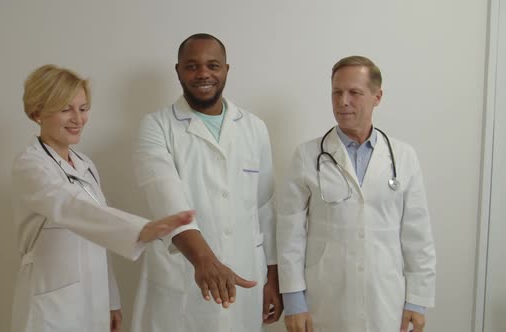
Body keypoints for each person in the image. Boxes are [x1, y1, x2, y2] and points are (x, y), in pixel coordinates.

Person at [10, 64, 194, 332]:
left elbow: (99, 234)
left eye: (83, 109)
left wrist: (112, 300)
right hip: (50, 306)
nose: (78, 118)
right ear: (37, 112)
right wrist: (140, 229)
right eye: (66, 109)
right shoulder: (30, 166)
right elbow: (70, 206)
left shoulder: (86, 164)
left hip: (93, 301)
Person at [131, 33, 282, 332]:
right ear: (178, 71)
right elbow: (167, 199)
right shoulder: (157, 126)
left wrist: (272, 279)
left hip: (245, 275)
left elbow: (264, 208)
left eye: (213, 65)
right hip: (181, 277)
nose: (203, 74)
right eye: (192, 66)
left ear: (227, 69)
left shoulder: (254, 128)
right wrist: (204, 260)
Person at [277, 56, 436, 332]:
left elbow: (418, 235)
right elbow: (289, 234)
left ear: (377, 97)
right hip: (324, 301)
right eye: (336, 92)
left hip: (386, 301)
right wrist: (293, 302)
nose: (343, 101)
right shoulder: (307, 155)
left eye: (354, 93)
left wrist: (417, 301)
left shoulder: (403, 156)